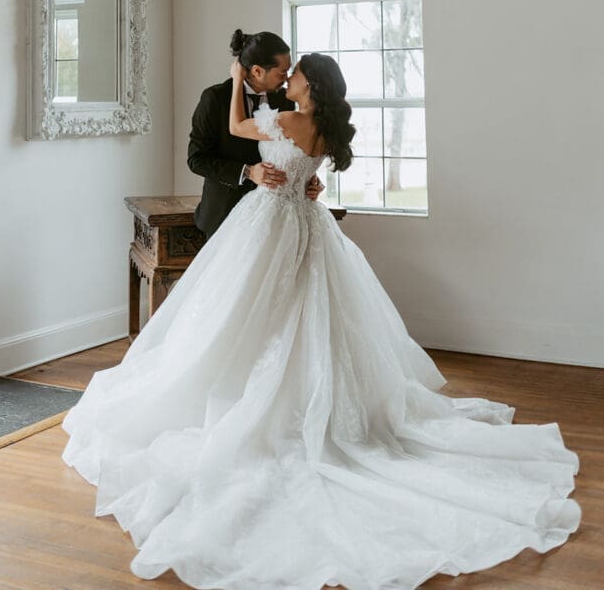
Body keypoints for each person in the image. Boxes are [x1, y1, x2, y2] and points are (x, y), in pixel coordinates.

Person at [61, 48, 581, 590]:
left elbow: (237, 127)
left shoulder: (286, 120)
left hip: (268, 223)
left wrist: (237, 80)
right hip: (306, 224)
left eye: (296, 74)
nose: (289, 79)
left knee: (255, 310)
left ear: (309, 85)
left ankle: (260, 395)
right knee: (302, 313)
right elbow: (306, 171)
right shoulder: (326, 130)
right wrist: (307, 180)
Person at [187, 29, 323, 240]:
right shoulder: (215, 98)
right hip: (224, 213)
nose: (287, 79)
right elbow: (196, 159)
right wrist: (247, 172)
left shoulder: (285, 99)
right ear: (258, 71)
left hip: (273, 218)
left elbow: (291, 148)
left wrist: (306, 177)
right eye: (282, 72)